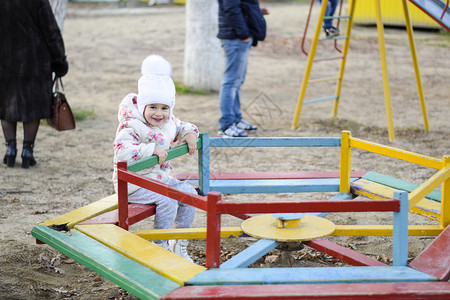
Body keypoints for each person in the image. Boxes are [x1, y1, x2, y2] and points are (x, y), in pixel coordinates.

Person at [112, 55, 199, 262]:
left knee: (189, 194)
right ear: (143, 106)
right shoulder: (132, 125)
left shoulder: (169, 121)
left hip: (158, 178)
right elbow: (122, 151)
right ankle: (159, 245)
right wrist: (150, 149)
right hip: (133, 183)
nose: (158, 113)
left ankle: (179, 241)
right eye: (152, 107)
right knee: (167, 199)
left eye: (164, 108)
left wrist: (189, 133)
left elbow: (181, 125)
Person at [0, 0, 69, 168]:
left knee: (6, 105)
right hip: (35, 61)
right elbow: (51, 31)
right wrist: (60, 61)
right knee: (32, 108)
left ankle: (10, 149)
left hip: (4, 60)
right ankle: (27, 151)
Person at [217, 0, 269, 138]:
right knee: (231, 82)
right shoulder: (239, 35)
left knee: (237, 82)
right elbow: (231, 9)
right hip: (236, 39)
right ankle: (227, 125)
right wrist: (244, 34)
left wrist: (255, 12)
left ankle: (236, 120)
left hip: (238, 37)